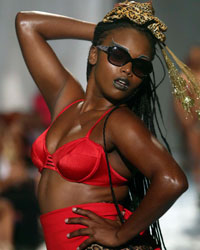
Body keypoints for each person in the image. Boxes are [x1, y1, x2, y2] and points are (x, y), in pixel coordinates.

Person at [15, 1, 188, 250]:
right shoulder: (67, 101)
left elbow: (173, 179)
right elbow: (26, 24)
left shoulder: (120, 122)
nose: (128, 69)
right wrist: (106, 30)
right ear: (94, 54)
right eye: (118, 55)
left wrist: (120, 235)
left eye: (140, 66)